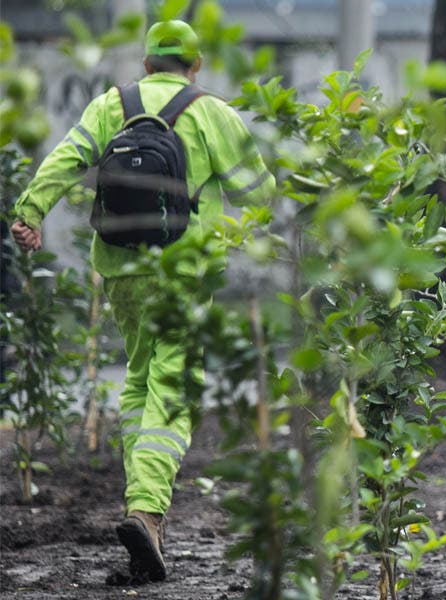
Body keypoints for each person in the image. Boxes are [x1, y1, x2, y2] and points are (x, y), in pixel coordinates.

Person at [10, 20, 275, 582]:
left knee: (139, 379)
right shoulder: (211, 112)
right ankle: (148, 510)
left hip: (122, 268)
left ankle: (144, 508)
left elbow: (66, 157)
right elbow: (260, 192)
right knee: (172, 386)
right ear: (195, 66)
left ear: (147, 64)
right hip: (184, 272)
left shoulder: (113, 105)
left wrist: (30, 212)